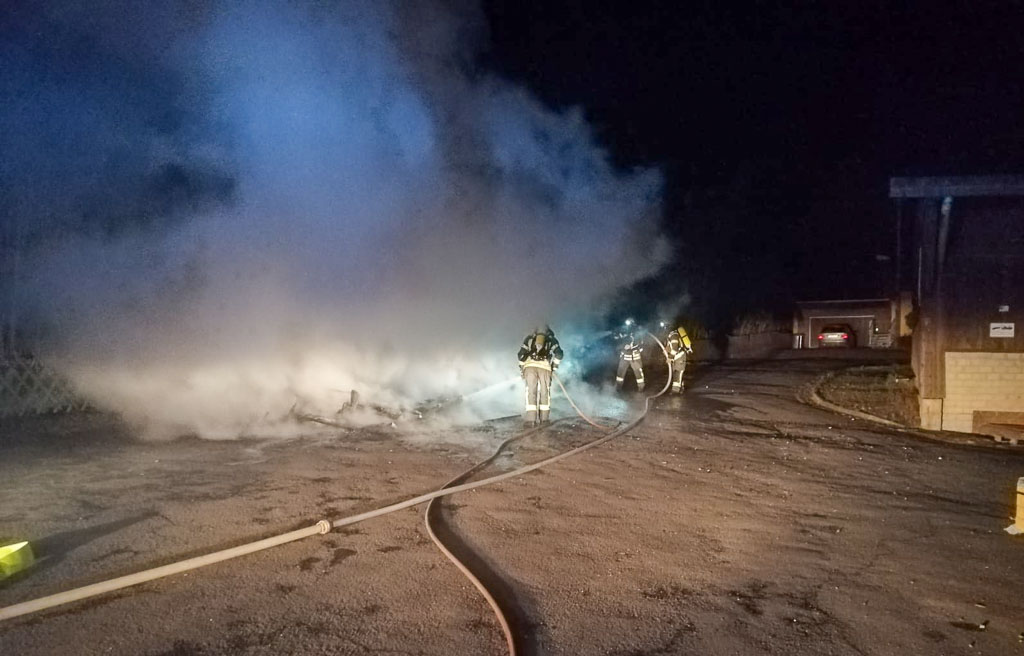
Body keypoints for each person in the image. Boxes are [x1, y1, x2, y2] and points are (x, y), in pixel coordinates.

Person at [517, 325, 563, 424]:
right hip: (545, 369)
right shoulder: (551, 339)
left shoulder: (529, 339)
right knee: (545, 393)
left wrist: (522, 369)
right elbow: (559, 354)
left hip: (529, 368)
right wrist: (554, 367)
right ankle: (544, 420)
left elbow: (520, 355)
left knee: (531, 392)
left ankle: (530, 420)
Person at [614, 318, 645, 391]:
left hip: (634, 357)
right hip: (625, 357)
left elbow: (636, 341)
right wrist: (616, 334)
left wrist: (629, 346)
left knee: (638, 372)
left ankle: (641, 387)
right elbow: (619, 338)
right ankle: (618, 387)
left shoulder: (637, 332)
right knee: (620, 372)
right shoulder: (625, 332)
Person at [662, 321, 693, 393]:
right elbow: (671, 347)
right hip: (677, 357)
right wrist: (666, 350)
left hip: (680, 357)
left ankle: (675, 391)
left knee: (678, 373)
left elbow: (675, 348)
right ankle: (680, 388)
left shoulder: (673, 335)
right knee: (676, 374)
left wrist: (670, 357)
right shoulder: (671, 335)